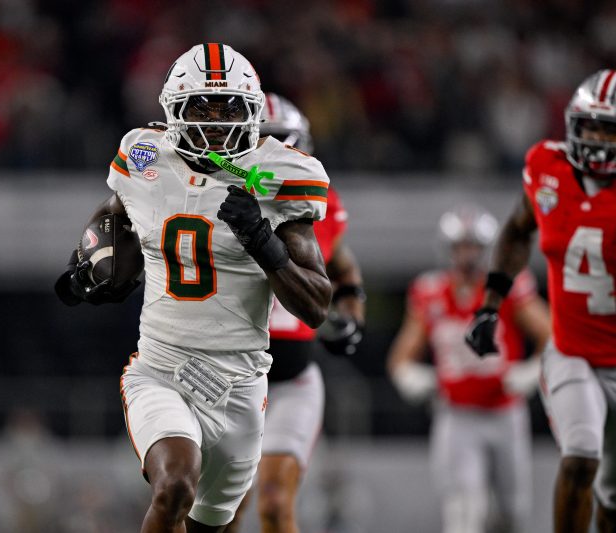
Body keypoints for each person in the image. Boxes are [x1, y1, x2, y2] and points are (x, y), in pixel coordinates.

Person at [55, 43, 333, 533]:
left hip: (240, 382)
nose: (216, 123)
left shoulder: (278, 175)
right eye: (203, 108)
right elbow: (113, 213)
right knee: (174, 488)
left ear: (252, 113)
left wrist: (262, 240)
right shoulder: (145, 154)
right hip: (161, 367)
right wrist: (91, 265)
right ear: (174, 110)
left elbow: (316, 306)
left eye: (230, 109)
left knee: (214, 524)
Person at [466, 69, 616, 533]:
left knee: (613, 499)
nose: (596, 140)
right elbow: (516, 230)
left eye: (608, 131)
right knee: (581, 457)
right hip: (571, 350)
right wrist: (490, 304)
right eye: (590, 127)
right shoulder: (546, 166)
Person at [223, 93, 365, 533]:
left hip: (292, 380)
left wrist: (352, 314)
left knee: (274, 502)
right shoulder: (215, 196)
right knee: (223, 510)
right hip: (228, 379)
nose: (272, 155)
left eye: (282, 142)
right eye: (261, 142)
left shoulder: (319, 202)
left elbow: (342, 265)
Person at [388, 204, 550, 533]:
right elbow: (401, 358)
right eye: (461, 246)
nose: (467, 255)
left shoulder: (507, 287)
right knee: (463, 509)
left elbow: (552, 337)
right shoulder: (430, 292)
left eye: (474, 246)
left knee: (513, 510)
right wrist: (411, 378)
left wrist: (534, 370)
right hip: (456, 415)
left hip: (505, 412)